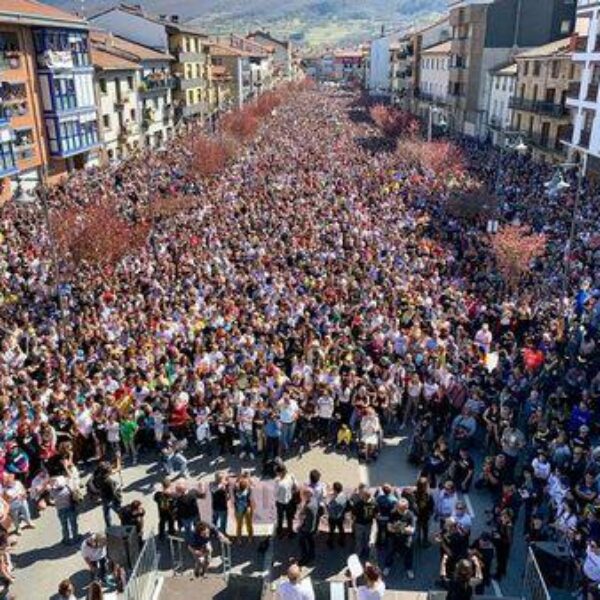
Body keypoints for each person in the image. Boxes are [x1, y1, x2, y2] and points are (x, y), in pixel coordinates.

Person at [383, 498, 415, 579]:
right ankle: (387, 566)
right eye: (398, 508)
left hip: (406, 539)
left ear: (406, 507)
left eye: (401, 508)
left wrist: (399, 529)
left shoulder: (410, 515)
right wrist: (403, 529)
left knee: (408, 554)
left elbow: (412, 530)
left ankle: (409, 569)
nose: (399, 510)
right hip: (394, 538)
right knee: (390, 552)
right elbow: (389, 528)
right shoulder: (393, 513)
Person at [49, 476, 79, 545]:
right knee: (73, 524)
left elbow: (51, 495)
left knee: (64, 525)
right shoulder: (68, 489)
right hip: (70, 508)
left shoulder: (53, 492)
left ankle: (66, 539)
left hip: (60, 510)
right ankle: (75, 537)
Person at [350, 484, 376, 561]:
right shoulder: (374, 503)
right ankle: (366, 551)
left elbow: (353, 516)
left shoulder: (358, 504)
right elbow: (376, 515)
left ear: (364, 497)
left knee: (359, 539)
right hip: (369, 524)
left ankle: (358, 552)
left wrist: (354, 522)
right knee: (367, 538)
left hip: (359, 524)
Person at [275, 465, 298, 537]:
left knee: (280, 517)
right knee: (289, 518)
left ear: (280, 473)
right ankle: (290, 531)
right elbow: (296, 486)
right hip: (289, 501)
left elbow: (275, 493)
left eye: (277, 472)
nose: (276, 474)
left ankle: (279, 531)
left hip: (280, 502)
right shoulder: (291, 476)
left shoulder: (279, 483)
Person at [297, 488, 318, 566]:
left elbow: (301, 518)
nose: (302, 496)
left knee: (302, 542)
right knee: (310, 541)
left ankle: (304, 558)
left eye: (303, 495)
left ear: (307, 496)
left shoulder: (307, 507)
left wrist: (299, 527)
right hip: (312, 525)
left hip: (306, 528)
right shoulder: (314, 500)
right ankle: (312, 555)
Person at [233, 473, 254, 542]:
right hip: (247, 508)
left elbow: (236, 483)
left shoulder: (235, 490)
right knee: (249, 524)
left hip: (238, 509)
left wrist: (240, 476)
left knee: (239, 525)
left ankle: (239, 539)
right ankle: (250, 538)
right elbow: (251, 484)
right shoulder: (248, 490)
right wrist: (248, 477)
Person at [327, 481, 347, 548]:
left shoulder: (335, 500)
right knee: (341, 528)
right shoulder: (344, 495)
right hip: (341, 515)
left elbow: (329, 506)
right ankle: (342, 541)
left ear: (335, 490)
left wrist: (329, 499)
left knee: (331, 530)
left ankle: (330, 542)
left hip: (333, 517)